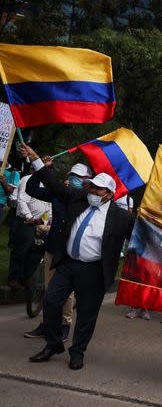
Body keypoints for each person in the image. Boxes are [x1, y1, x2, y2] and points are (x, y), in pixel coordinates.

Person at [21, 144, 135, 371]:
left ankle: (78, 352)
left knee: (86, 314)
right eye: (91, 187)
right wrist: (36, 160)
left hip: (94, 271)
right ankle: (53, 344)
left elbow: (141, 240)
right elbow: (53, 184)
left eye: (98, 190)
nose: (92, 192)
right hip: (68, 264)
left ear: (109, 195)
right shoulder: (77, 198)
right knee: (51, 302)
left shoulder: (122, 217)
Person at [23, 163, 91, 340]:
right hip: (53, 247)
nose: (73, 179)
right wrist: (40, 171)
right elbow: (32, 190)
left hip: (70, 251)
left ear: (86, 181)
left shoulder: (86, 199)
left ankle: (64, 324)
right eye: (72, 176)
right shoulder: (57, 194)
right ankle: (47, 324)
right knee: (49, 289)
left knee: (67, 291)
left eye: (78, 177)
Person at [8, 170, 51, 287]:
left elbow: (48, 206)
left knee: (35, 251)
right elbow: (22, 200)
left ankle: (27, 277)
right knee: (20, 249)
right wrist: (29, 217)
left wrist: (45, 222)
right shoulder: (27, 179)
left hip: (39, 222)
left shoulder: (47, 184)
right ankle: (14, 277)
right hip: (25, 220)